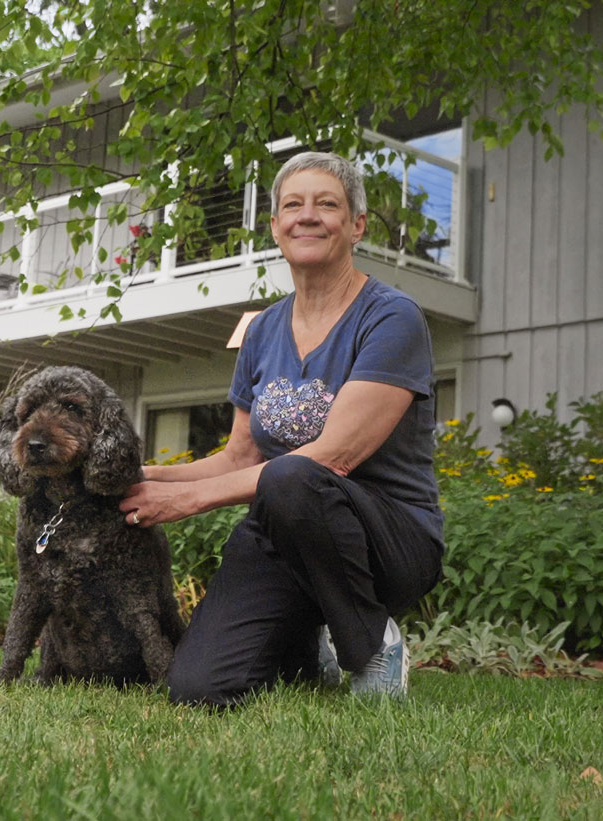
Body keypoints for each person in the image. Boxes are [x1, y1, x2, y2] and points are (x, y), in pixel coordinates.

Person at [119, 151, 444, 707]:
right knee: (197, 689)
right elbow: (238, 459)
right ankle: (307, 641)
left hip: (389, 540)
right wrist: (142, 477)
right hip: (285, 537)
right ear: (275, 227)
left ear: (357, 224)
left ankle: (370, 646)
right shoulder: (264, 329)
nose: (307, 216)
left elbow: (333, 457)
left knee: (295, 476)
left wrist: (185, 502)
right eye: (292, 205)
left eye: (327, 204)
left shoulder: (391, 317)